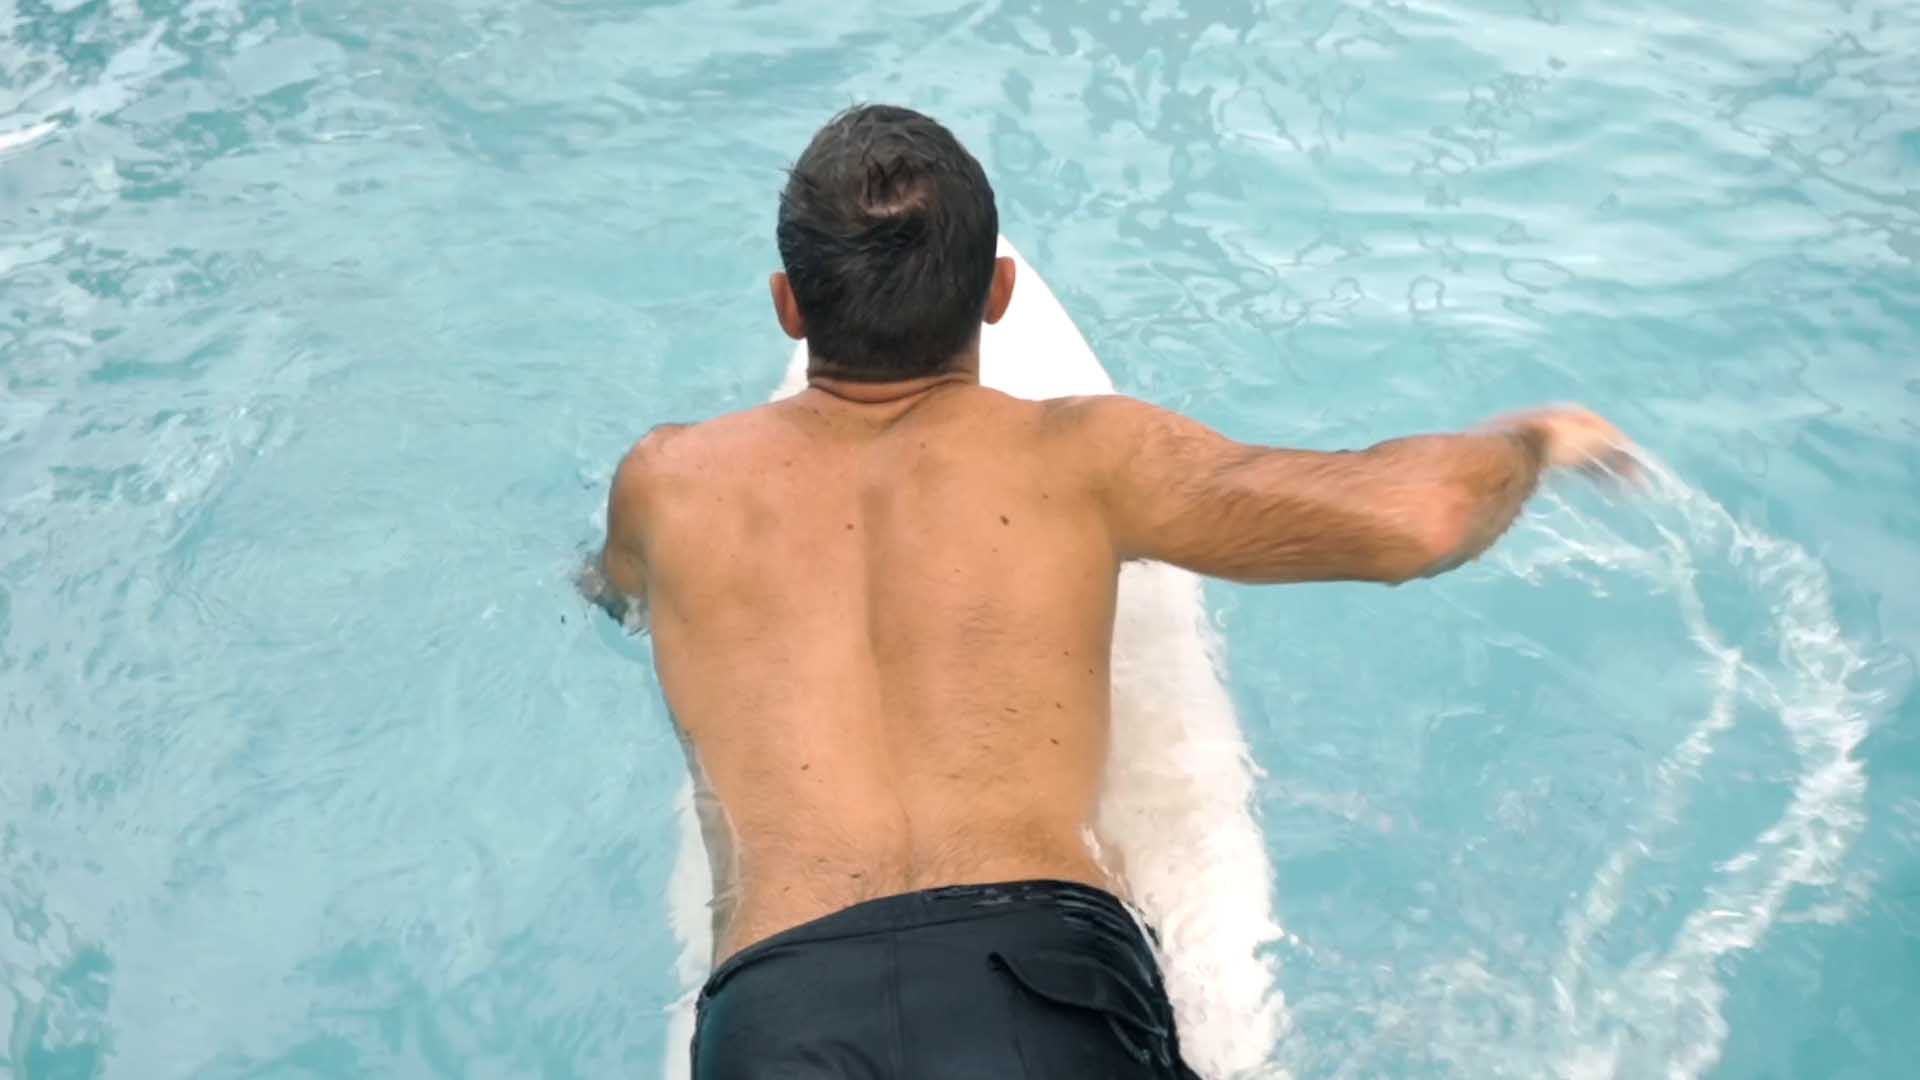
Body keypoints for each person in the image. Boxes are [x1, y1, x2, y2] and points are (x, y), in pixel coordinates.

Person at [581, 104, 1637, 1079]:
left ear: (788, 305)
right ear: (998, 294)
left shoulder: (666, 484)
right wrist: (1527, 443)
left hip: (779, 1012)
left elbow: (614, 597)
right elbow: (1420, 519)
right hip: (1034, 984)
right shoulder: (1082, 456)